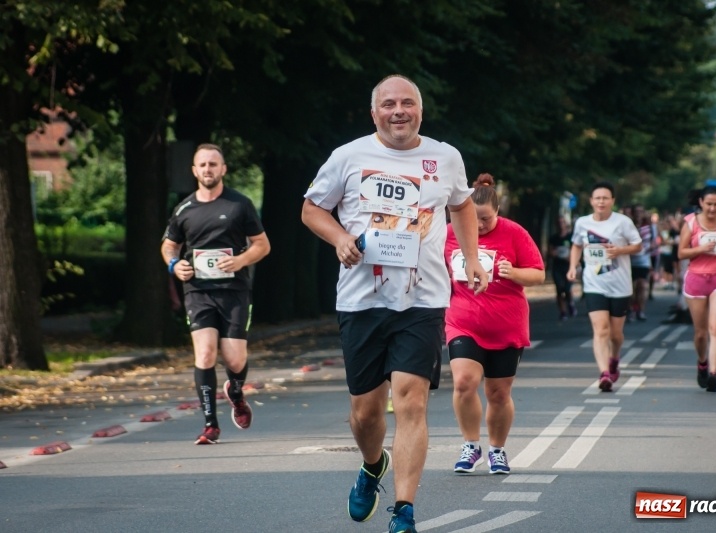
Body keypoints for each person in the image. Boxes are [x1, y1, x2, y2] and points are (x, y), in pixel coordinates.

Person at [301, 74, 488, 533]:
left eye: (408, 103)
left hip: (422, 300)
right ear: (374, 113)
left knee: (411, 402)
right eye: (389, 104)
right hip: (362, 300)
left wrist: (470, 258)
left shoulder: (445, 157)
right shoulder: (348, 156)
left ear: (420, 111)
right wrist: (342, 238)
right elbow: (311, 209)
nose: (398, 111)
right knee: (365, 412)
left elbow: (462, 205)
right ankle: (371, 466)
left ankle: (403, 510)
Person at [160, 143, 271, 444]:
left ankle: (235, 392)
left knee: (235, 360)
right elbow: (169, 245)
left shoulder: (239, 205)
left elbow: (262, 245)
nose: (208, 169)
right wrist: (174, 265)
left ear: (223, 169)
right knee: (206, 352)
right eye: (203, 165)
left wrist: (240, 260)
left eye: (213, 164)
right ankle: (211, 424)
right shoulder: (184, 209)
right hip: (198, 291)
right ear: (194, 170)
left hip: (234, 290)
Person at [444, 173, 545, 475]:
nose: (478, 226)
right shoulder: (449, 233)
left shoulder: (514, 233)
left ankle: (497, 450)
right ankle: (470, 445)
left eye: (485, 220)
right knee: (464, 382)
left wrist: (513, 272)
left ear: (498, 212)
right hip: (463, 321)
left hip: (506, 324)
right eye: (473, 219)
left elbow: (538, 274)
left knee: (498, 394)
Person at [567, 182, 642, 392]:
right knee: (601, 330)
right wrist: (573, 267)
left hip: (620, 285)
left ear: (612, 201)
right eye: (597, 198)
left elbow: (638, 245)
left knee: (616, 334)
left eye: (605, 198)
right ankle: (604, 373)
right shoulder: (582, 223)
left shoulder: (623, 222)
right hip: (594, 284)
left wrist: (619, 250)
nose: (601, 201)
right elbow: (576, 245)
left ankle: (614, 358)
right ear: (591, 201)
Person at [677, 185, 716, 392]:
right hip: (696, 278)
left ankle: (713, 373)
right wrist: (700, 249)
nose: (713, 209)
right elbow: (681, 253)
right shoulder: (691, 223)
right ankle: (702, 362)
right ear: (701, 203)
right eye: (709, 204)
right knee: (701, 333)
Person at [548, 215, 577, 320]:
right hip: (557, 267)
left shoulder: (570, 237)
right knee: (559, 289)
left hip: (569, 267)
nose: (561, 225)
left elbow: (575, 250)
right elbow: (550, 251)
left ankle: (570, 303)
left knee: (567, 289)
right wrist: (553, 253)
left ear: (565, 224)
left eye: (562, 222)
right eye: (559, 223)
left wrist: (572, 259)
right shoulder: (553, 238)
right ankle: (563, 312)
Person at [629, 205, 653, 321]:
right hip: (630, 262)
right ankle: (632, 309)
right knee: (632, 288)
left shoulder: (649, 227)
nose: (638, 214)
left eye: (641, 211)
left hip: (644, 261)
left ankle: (641, 310)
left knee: (642, 286)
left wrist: (650, 248)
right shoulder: (628, 226)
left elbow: (655, 242)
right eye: (636, 211)